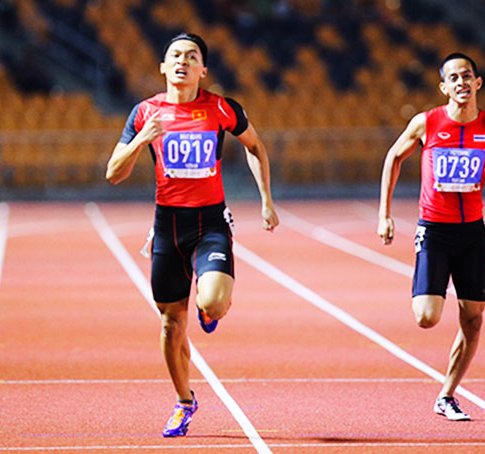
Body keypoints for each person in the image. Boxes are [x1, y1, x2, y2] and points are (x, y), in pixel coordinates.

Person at [105, 33, 279, 437]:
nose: (183, 61)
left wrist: (266, 199)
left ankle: (208, 305)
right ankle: (185, 400)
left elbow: (256, 147)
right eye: (175, 56)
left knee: (214, 304)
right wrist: (142, 141)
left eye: (192, 56)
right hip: (168, 227)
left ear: (204, 69)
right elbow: (113, 173)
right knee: (170, 325)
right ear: (163, 67)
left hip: (211, 223)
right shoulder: (145, 112)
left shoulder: (221, 108)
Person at [377, 53, 485, 421]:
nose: (461, 82)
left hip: (472, 233)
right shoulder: (427, 123)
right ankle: (429, 284)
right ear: (444, 87)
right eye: (453, 78)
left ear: (478, 82)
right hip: (435, 231)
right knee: (426, 317)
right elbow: (393, 157)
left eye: (467, 76)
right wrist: (384, 214)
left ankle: (447, 394)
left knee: (473, 319)